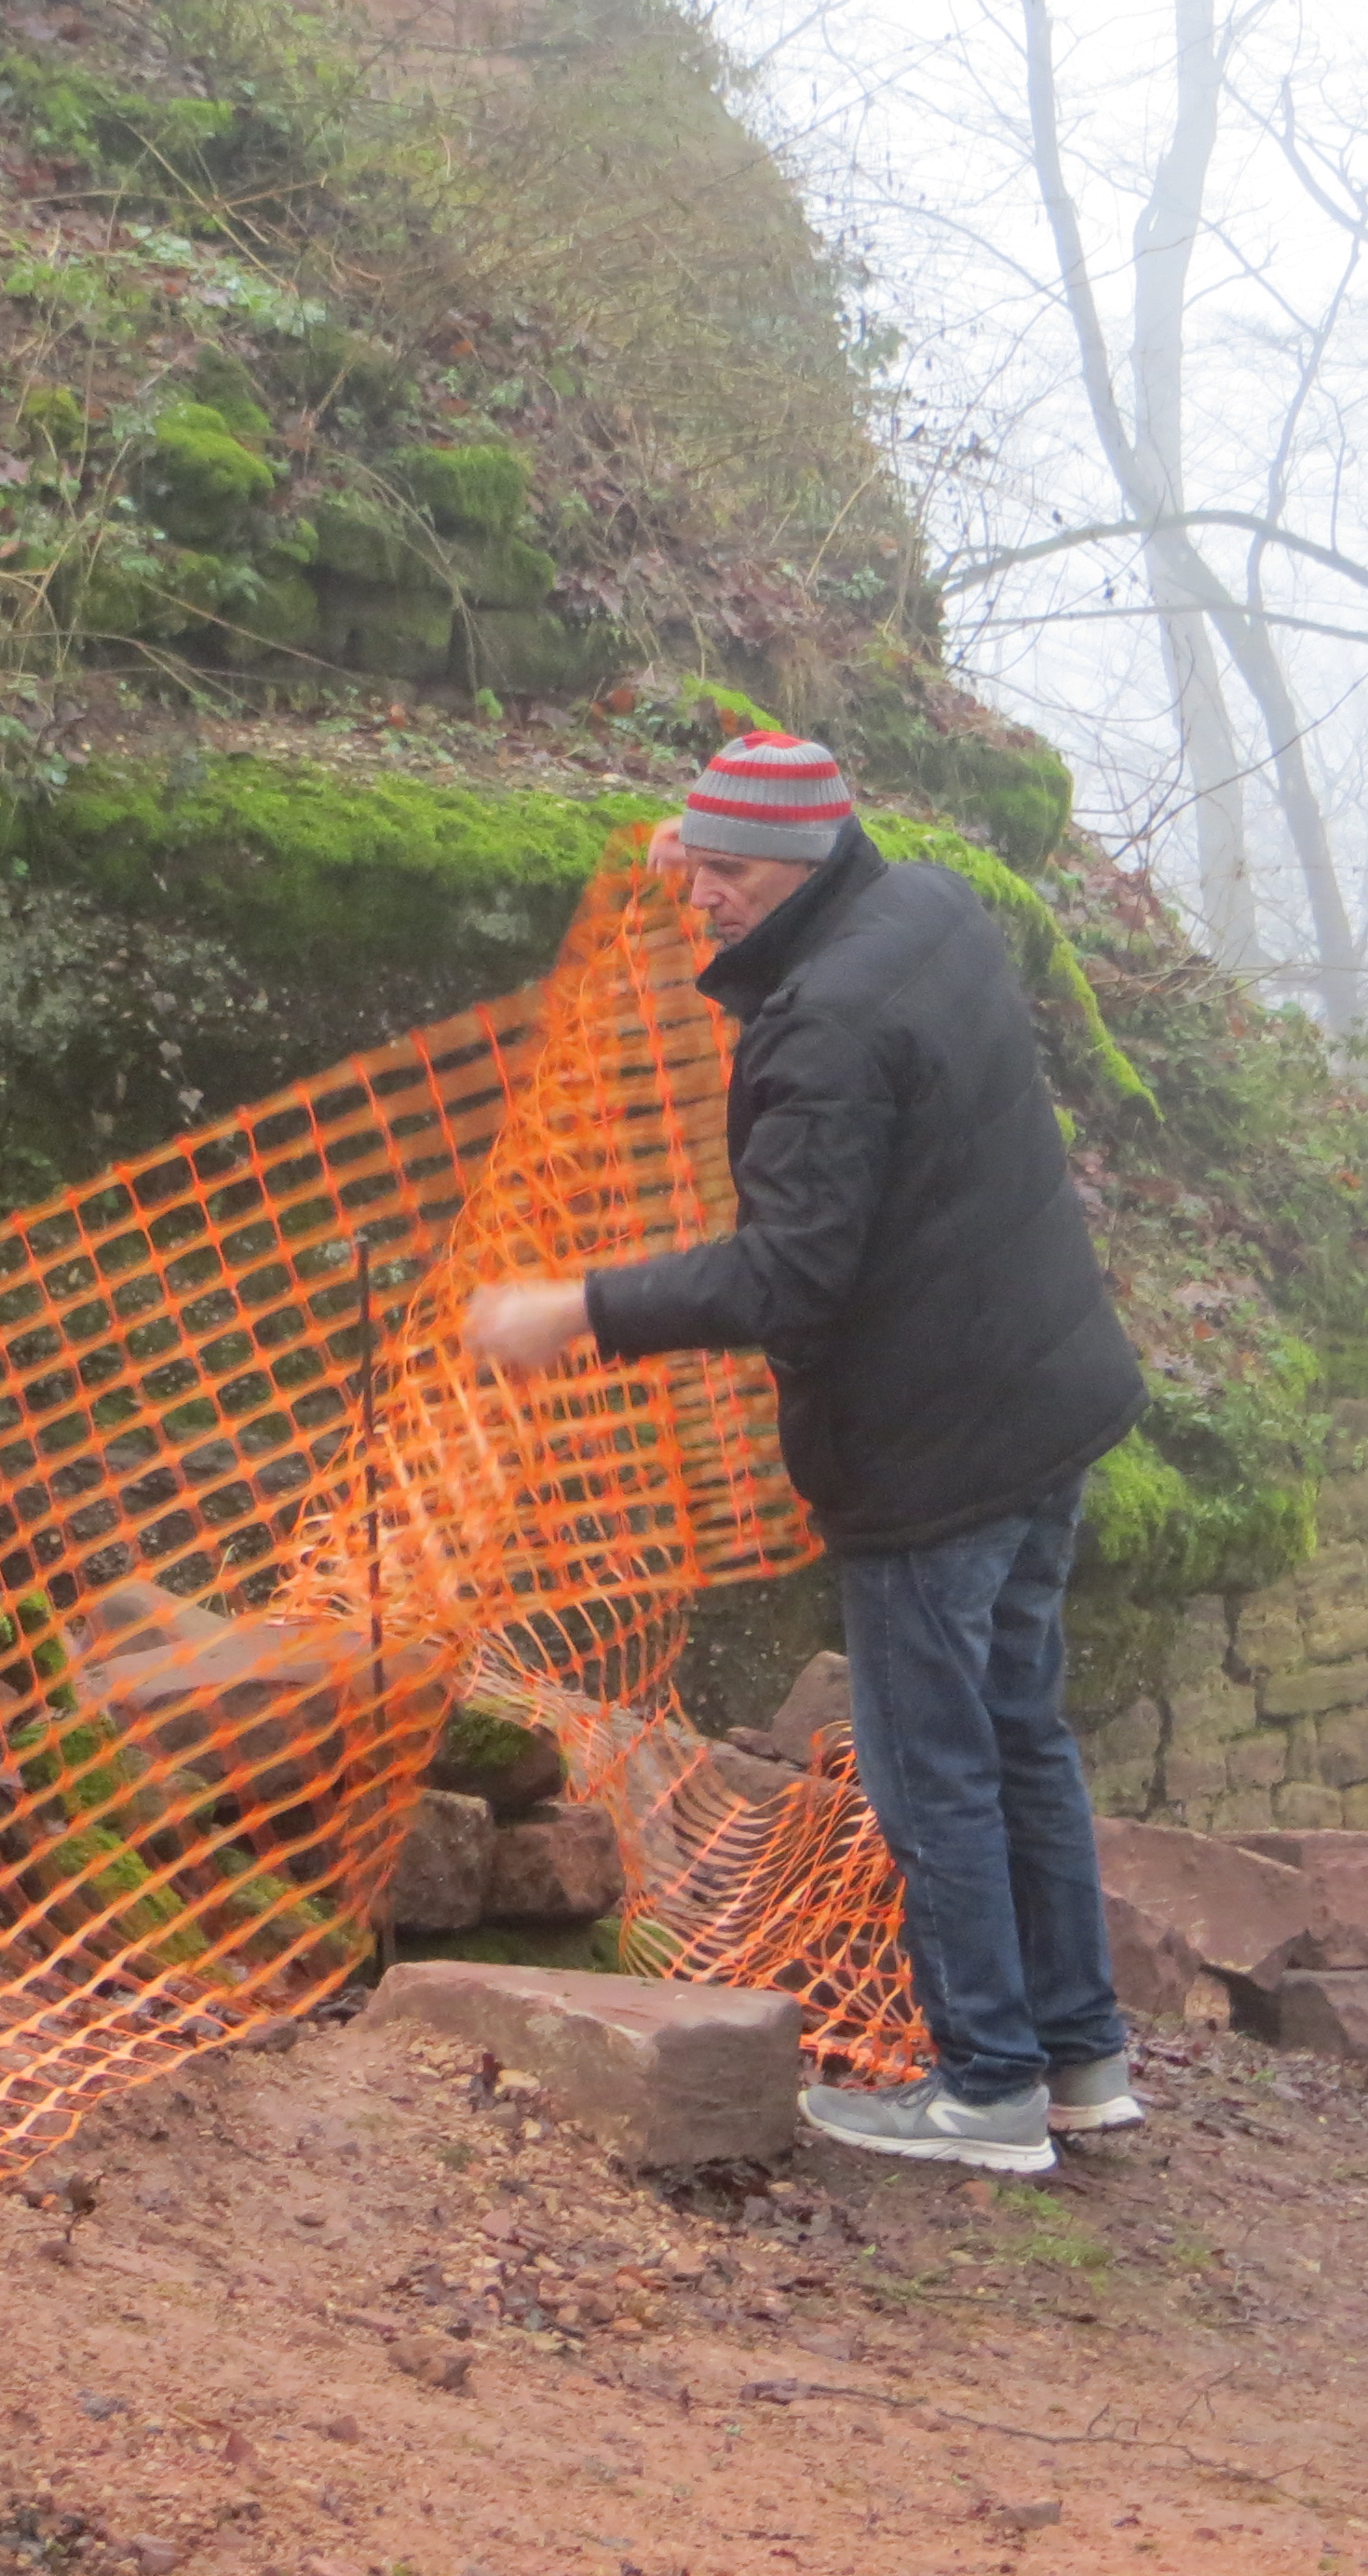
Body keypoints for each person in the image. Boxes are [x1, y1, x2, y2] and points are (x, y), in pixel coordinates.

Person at [461, 729, 1150, 2176]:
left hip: (933, 1447)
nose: (699, 896)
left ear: (798, 863)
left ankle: (986, 2090)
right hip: (1047, 1399)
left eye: (725, 874)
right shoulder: (930, 906)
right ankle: (1081, 2058)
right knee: (1021, 1732)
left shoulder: (826, 1028)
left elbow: (789, 1277)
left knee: (931, 1769)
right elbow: (797, 921)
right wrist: (714, 860)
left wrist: (577, 1309)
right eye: (696, 863)